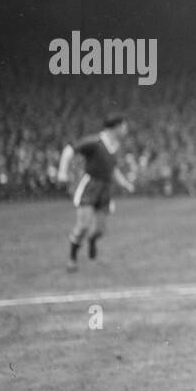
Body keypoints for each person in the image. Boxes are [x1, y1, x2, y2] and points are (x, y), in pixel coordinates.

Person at [56, 114, 134, 272]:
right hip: (90, 187)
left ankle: (92, 241)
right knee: (83, 225)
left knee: (99, 230)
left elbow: (112, 169)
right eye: (124, 126)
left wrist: (124, 183)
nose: (126, 129)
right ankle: (72, 259)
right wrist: (62, 172)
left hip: (106, 189)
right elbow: (69, 150)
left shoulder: (116, 146)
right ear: (117, 127)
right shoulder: (94, 142)